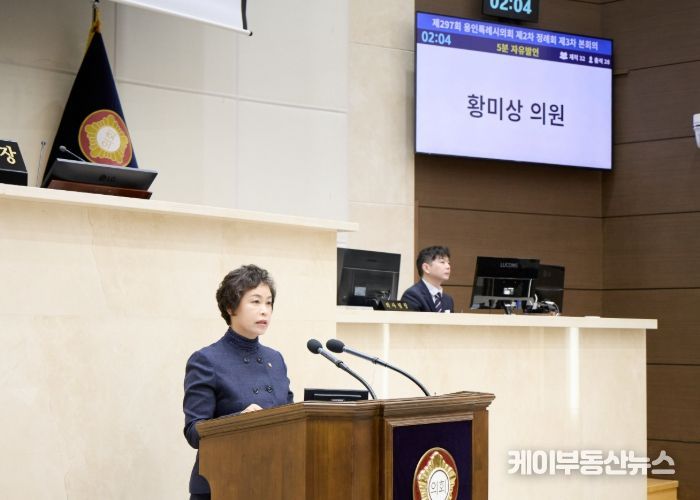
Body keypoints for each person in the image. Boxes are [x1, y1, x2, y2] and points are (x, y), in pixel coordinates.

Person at [183, 265, 293, 500]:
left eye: (269, 303)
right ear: (231, 307)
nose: (264, 311)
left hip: (272, 482)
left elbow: (291, 419)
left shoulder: (276, 359)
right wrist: (238, 421)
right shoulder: (206, 360)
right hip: (221, 484)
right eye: (255, 302)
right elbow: (193, 432)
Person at [401, 246, 454, 312]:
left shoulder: (448, 300)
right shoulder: (412, 295)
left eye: (448, 263)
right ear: (426, 268)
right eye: (442, 262)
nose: (448, 266)